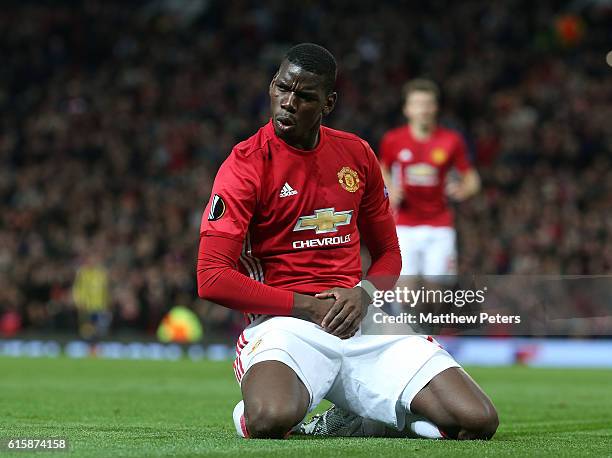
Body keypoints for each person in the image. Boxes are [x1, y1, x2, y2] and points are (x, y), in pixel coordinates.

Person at [196, 43, 497, 440]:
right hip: (286, 324)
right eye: (282, 89)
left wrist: (365, 294)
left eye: (304, 97)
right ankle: (265, 406)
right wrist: (307, 306)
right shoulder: (246, 165)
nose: (288, 103)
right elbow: (210, 277)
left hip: (359, 318)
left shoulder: (356, 154)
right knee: (270, 419)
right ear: (272, 86)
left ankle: (362, 417)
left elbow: (389, 252)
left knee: (477, 421)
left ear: (328, 103)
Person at [379, 79, 480, 293]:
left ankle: (429, 325)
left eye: (427, 104)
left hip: (440, 225)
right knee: (405, 292)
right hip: (404, 224)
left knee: (436, 294)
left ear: (436, 107)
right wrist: (390, 189)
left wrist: (464, 189)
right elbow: (381, 169)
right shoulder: (393, 140)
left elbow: (472, 178)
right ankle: (401, 326)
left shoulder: (451, 140)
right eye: (417, 104)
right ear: (407, 109)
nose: (423, 109)